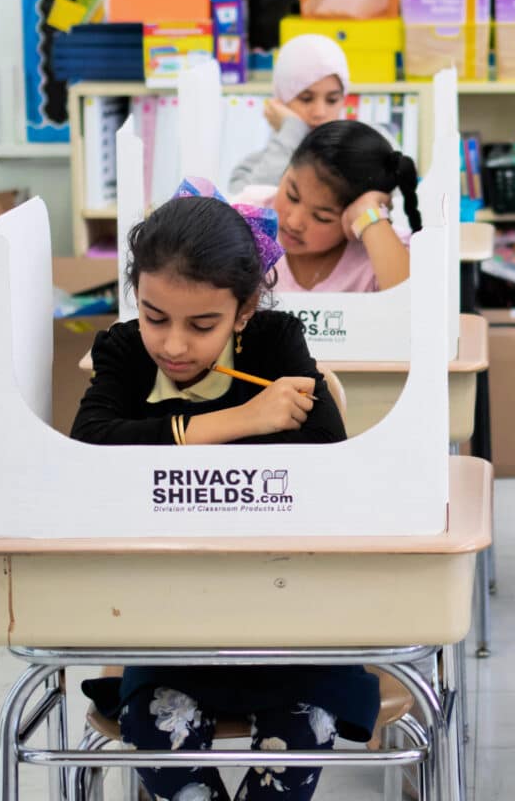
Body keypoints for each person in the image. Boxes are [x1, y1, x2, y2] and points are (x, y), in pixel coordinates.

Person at [71, 191, 377, 801]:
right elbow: (92, 449)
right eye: (155, 316)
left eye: (202, 324)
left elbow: (324, 451)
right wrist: (241, 420)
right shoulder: (123, 350)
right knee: (154, 724)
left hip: (288, 626)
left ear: (244, 310)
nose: (174, 346)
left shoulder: (275, 341)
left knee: (304, 725)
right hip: (169, 626)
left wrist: (166, 450)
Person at [238, 120, 420, 292]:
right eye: (292, 196)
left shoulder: (382, 245)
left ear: (352, 217)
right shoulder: (249, 216)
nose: (293, 222)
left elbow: (414, 306)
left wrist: (368, 213)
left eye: (321, 217)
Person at [229, 34, 350, 192]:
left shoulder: (367, 151)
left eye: (332, 100)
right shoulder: (251, 168)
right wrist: (293, 130)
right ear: (281, 102)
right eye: (306, 99)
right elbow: (248, 206)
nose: (320, 113)